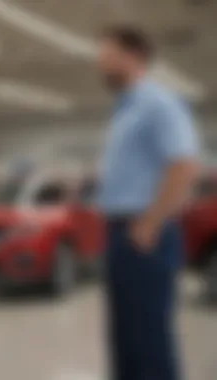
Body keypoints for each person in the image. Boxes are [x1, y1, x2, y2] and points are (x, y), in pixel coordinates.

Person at [96, 26, 199, 380]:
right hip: (120, 233)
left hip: (144, 235)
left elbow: (184, 166)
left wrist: (151, 223)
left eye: (107, 55)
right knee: (124, 340)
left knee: (148, 341)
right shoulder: (123, 110)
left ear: (133, 56)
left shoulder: (157, 103)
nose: (101, 63)